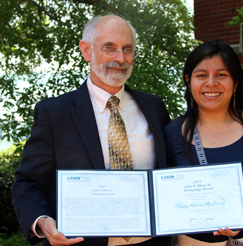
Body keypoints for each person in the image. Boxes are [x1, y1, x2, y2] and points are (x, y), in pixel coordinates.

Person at [11, 15, 170, 246]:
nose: (120, 58)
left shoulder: (154, 107)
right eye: (109, 48)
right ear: (86, 51)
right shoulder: (54, 113)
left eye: (128, 49)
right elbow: (27, 180)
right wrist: (42, 221)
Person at [163, 40, 243, 246]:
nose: (211, 83)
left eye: (221, 75)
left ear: (236, 82)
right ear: (189, 81)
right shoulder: (171, 133)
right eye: (201, 75)